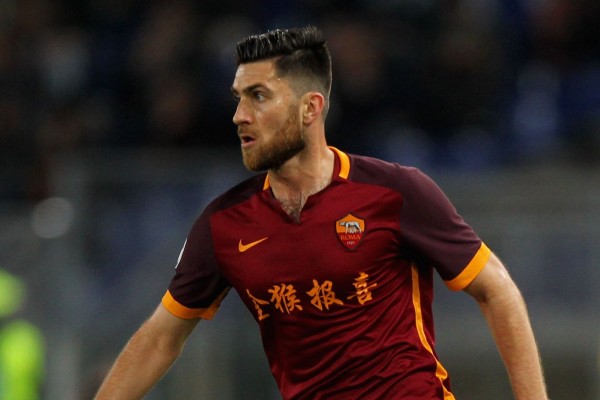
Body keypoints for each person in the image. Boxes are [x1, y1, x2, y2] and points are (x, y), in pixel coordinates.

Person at [95, 26, 547, 399]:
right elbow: (160, 339)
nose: (239, 115)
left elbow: (497, 291)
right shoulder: (223, 226)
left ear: (311, 108)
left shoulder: (394, 192)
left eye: (258, 96)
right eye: (238, 98)